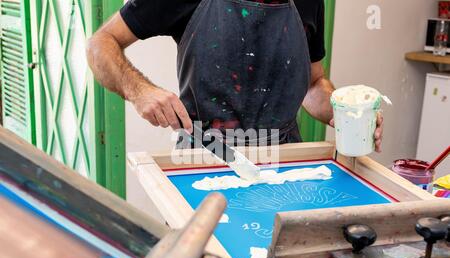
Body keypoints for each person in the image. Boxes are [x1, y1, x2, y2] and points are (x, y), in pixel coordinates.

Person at [87, 0, 383, 149]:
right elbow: (100, 43)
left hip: (285, 159)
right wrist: (140, 91)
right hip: (208, 157)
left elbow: (313, 83)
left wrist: (343, 109)